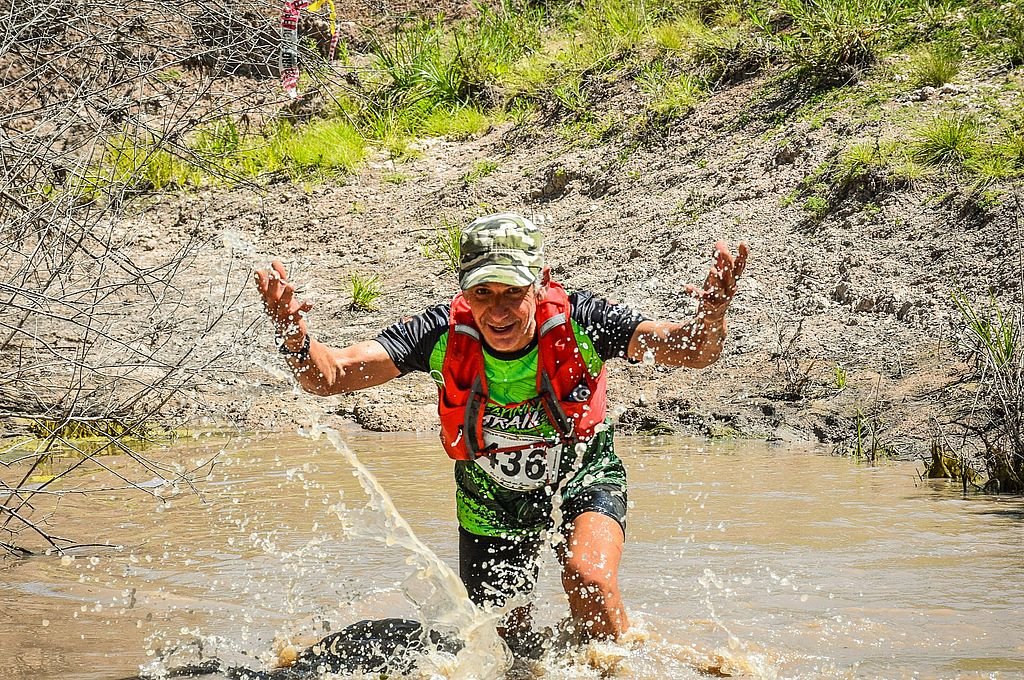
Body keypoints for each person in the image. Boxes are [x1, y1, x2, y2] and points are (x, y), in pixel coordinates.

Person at [254, 213, 748, 651]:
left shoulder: (584, 323)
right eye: (483, 293)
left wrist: (713, 314)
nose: (499, 311)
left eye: (514, 292)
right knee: (502, 646)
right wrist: (292, 335)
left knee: (589, 579)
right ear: (465, 291)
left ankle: (618, 664)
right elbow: (331, 376)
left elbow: (690, 351)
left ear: (540, 283)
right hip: (489, 501)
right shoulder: (441, 334)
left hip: (583, 476)